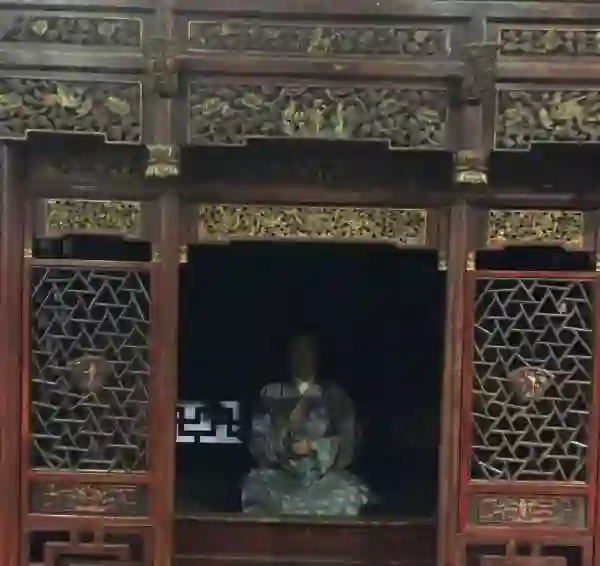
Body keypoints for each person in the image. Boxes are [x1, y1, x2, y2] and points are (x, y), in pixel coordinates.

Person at [242, 335, 370, 516]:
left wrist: (316, 447)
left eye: (307, 352)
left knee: (348, 492)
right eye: (297, 353)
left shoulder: (334, 396)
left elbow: (348, 439)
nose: (302, 358)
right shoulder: (271, 394)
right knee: (255, 486)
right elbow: (259, 438)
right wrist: (285, 444)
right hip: (281, 479)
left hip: (322, 479)